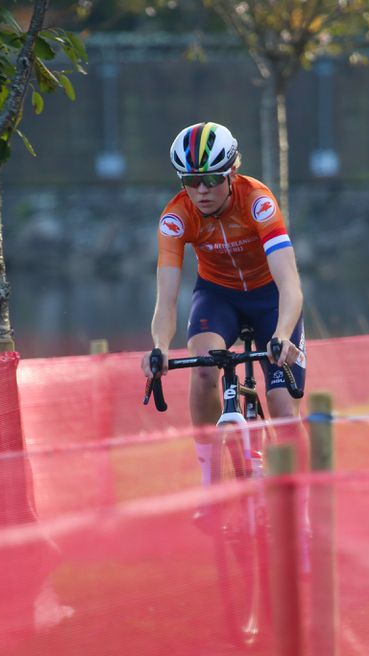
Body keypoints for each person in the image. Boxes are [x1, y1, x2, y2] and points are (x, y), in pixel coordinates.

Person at [142, 121, 307, 487]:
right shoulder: (176, 217)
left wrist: (281, 335)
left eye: (212, 179)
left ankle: (302, 507)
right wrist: (159, 348)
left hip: (269, 300)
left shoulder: (257, 201)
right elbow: (165, 301)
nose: (201, 190)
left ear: (232, 172)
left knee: (282, 407)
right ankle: (210, 481)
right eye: (190, 181)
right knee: (202, 372)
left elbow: (290, 285)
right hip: (218, 297)